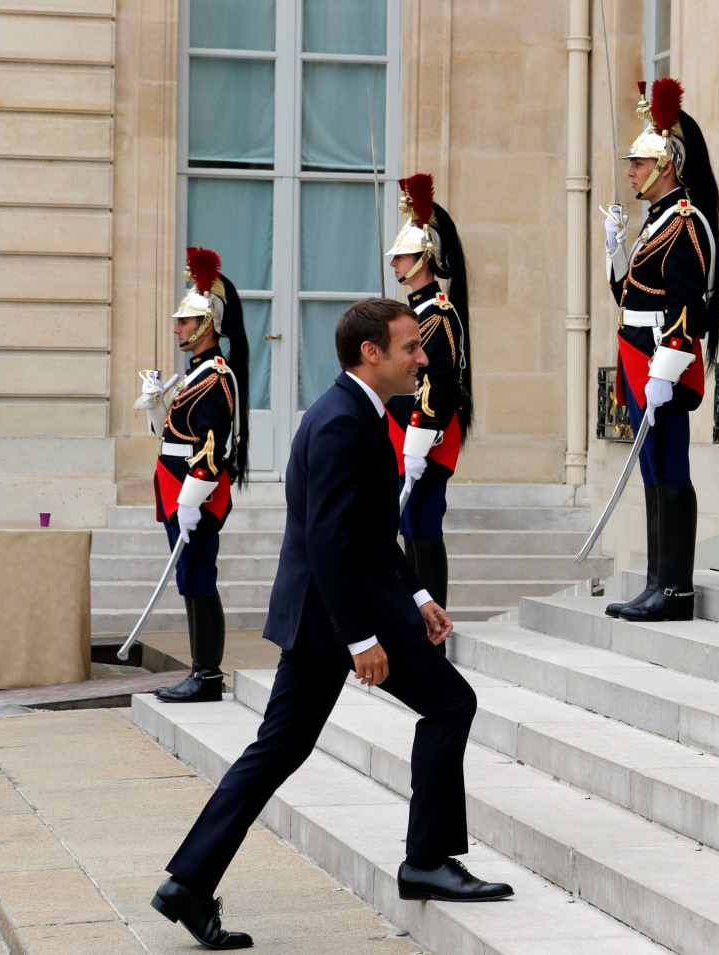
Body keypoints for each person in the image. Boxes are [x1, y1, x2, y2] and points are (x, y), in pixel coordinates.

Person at [151, 298, 512, 951]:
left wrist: (420, 590)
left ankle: (188, 883)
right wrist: (362, 637)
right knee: (451, 702)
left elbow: (371, 532)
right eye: (410, 348)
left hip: (333, 609)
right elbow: (329, 542)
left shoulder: (354, 411)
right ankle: (427, 860)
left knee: (276, 750)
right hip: (342, 611)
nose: (423, 357)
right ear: (371, 352)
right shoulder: (345, 423)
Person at [602, 78, 719, 622]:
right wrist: (615, 250)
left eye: (638, 163)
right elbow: (628, 294)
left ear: (666, 165)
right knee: (652, 470)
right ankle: (657, 581)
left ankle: (676, 589)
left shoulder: (686, 222)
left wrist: (667, 369)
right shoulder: (655, 222)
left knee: (670, 468)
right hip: (638, 355)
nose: (630, 171)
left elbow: (689, 305)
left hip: (660, 360)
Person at [135, 247, 250, 702]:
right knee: (190, 578)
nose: (177, 327)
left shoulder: (216, 377)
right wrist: (154, 404)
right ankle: (201, 672)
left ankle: (206, 676)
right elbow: (171, 433)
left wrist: (190, 501)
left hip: (194, 492)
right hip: (178, 487)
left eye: (185, 321)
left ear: (207, 326)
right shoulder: (194, 375)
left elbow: (212, 448)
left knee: (199, 577)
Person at [385, 174, 473, 630]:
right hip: (409, 433)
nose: (395, 262)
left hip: (429, 432)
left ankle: (434, 617)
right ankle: (419, 613)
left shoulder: (436, 312)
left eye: (402, 255)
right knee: (411, 527)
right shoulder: (415, 311)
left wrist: (420, 438)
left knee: (424, 524)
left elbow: (437, 380)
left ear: (424, 259)